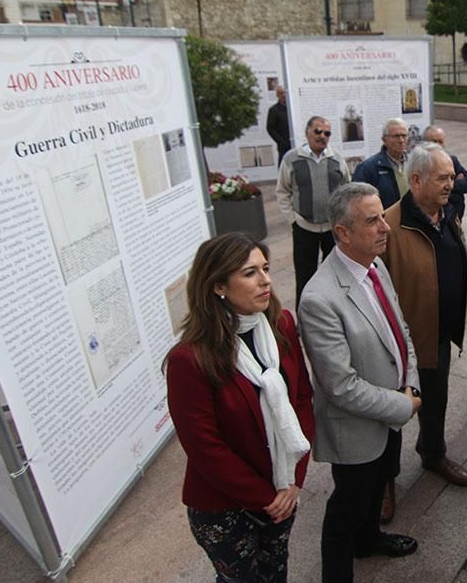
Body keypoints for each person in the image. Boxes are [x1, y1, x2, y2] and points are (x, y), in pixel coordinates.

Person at [165, 233, 315, 583]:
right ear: (219, 285)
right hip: (224, 508)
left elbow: (303, 400)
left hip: (282, 488)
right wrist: (267, 497)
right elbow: (205, 448)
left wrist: (294, 480)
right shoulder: (189, 359)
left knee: (276, 575)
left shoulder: (282, 325)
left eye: (265, 268)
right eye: (249, 273)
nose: (266, 280)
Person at [298, 182, 422, 583]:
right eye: (372, 221)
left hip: (391, 409)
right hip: (356, 428)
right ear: (342, 232)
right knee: (344, 512)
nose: (385, 227)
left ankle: (369, 540)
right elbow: (340, 386)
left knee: (378, 486)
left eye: (382, 216)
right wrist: (404, 405)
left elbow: (399, 331)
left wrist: (413, 384)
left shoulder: (374, 264)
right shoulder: (319, 299)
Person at [378, 142, 467, 521]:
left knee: (435, 400)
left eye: (452, 176)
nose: (452, 183)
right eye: (443, 177)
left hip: (438, 335)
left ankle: (433, 454)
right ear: (416, 180)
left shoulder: (447, 214)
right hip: (398, 345)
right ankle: (385, 482)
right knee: (391, 414)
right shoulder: (389, 226)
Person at [277, 115, 350, 305]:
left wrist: (341, 219)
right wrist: (292, 219)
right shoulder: (292, 158)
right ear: (307, 132)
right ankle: (304, 319)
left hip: (332, 229)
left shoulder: (336, 159)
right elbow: (283, 190)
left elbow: (346, 188)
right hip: (303, 227)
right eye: (317, 131)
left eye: (327, 133)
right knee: (305, 276)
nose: (322, 136)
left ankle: (334, 310)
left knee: (335, 274)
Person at [422, 123, 467, 305]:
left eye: (440, 141)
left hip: (453, 219)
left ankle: (466, 289)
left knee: (462, 255)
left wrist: (447, 187)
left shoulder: (451, 159)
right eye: (432, 141)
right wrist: (453, 185)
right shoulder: (419, 164)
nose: (437, 145)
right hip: (430, 221)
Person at [353, 118, 409, 209]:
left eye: (404, 136)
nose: (401, 140)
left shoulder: (414, 163)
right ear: (384, 140)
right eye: (396, 136)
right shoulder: (368, 168)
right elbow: (356, 200)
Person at [266, 85, 290, 163]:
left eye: (285, 93)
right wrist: (281, 141)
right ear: (277, 95)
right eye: (281, 93)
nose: (283, 95)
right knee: (283, 167)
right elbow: (270, 128)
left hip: (297, 144)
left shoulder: (293, 108)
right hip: (284, 146)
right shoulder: (274, 110)